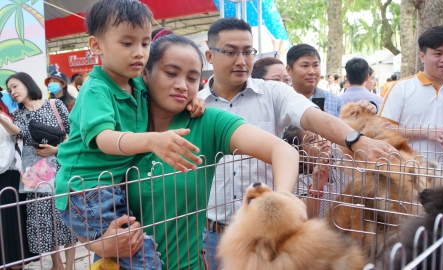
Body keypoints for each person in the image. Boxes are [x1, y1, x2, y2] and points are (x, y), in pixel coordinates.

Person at [71, 30, 300, 270]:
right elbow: (77, 185)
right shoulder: (119, 123)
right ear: (145, 74)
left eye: (192, 78)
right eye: (171, 73)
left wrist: (282, 199)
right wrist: (94, 243)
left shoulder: (206, 122)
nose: (181, 85)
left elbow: (283, 151)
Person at [199, 17, 394, 269]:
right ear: (210, 55)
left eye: (248, 52)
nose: (241, 60)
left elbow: (313, 116)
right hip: (211, 232)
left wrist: (355, 139)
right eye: (231, 52)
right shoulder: (195, 103)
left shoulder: (272, 92)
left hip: (269, 235)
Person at [54, 2, 206, 269]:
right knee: (140, 256)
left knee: (121, 255)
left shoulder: (136, 82)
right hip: (87, 189)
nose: (139, 53)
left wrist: (194, 101)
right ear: (96, 45)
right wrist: (152, 140)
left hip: (111, 186)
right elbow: (105, 139)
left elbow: (168, 90)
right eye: (127, 43)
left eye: (145, 44)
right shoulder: (96, 90)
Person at [5, 72, 76, 270]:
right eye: (10, 90)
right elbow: (18, 133)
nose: (13, 92)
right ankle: (57, 265)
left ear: (27, 84)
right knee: (45, 219)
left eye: (15, 86)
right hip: (36, 173)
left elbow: (71, 134)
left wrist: (57, 150)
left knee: (66, 217)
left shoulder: (55, 105)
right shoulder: (17, 116)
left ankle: (69, 266)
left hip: (60, 168)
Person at [379, 25, 443, 173]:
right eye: (438, 53)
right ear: (422, 57)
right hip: (409, 178)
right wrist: (427, 132)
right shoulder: (401, 88)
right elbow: (383, 130)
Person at [0, 92, 37, 269]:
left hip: (12, 176)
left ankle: (16, 264)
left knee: (13, 227)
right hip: (5, 175)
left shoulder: (7, 113)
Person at [286, 44, 343, 117]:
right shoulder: (280, 101)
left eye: (315, 65)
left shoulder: (335, 102)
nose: (312, 72)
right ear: (289, 69)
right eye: (305, 66)